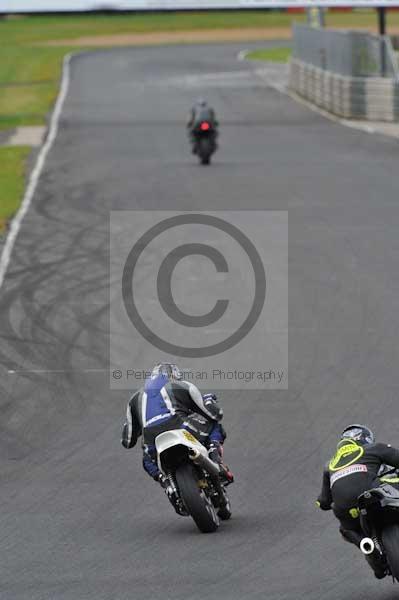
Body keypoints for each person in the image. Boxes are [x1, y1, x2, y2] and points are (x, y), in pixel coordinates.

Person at [121, 362, 234, 506]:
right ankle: (214, 458)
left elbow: (128, 441)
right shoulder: (181, 386)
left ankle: (167, 482)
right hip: (180, 426)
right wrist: (209, 400)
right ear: (173, 376)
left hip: (152, 440)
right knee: (214, 425)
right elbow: (214, 414)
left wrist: (135, 424)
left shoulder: (134, 400)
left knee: (147, 459)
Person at [316, 424, 399, 579]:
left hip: (348, 510)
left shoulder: (330, 465)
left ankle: (368, 549)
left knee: (346, 529)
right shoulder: (373, 448)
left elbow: (325, 501)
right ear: (365, 439)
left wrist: (320, 503)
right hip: (373, 494)